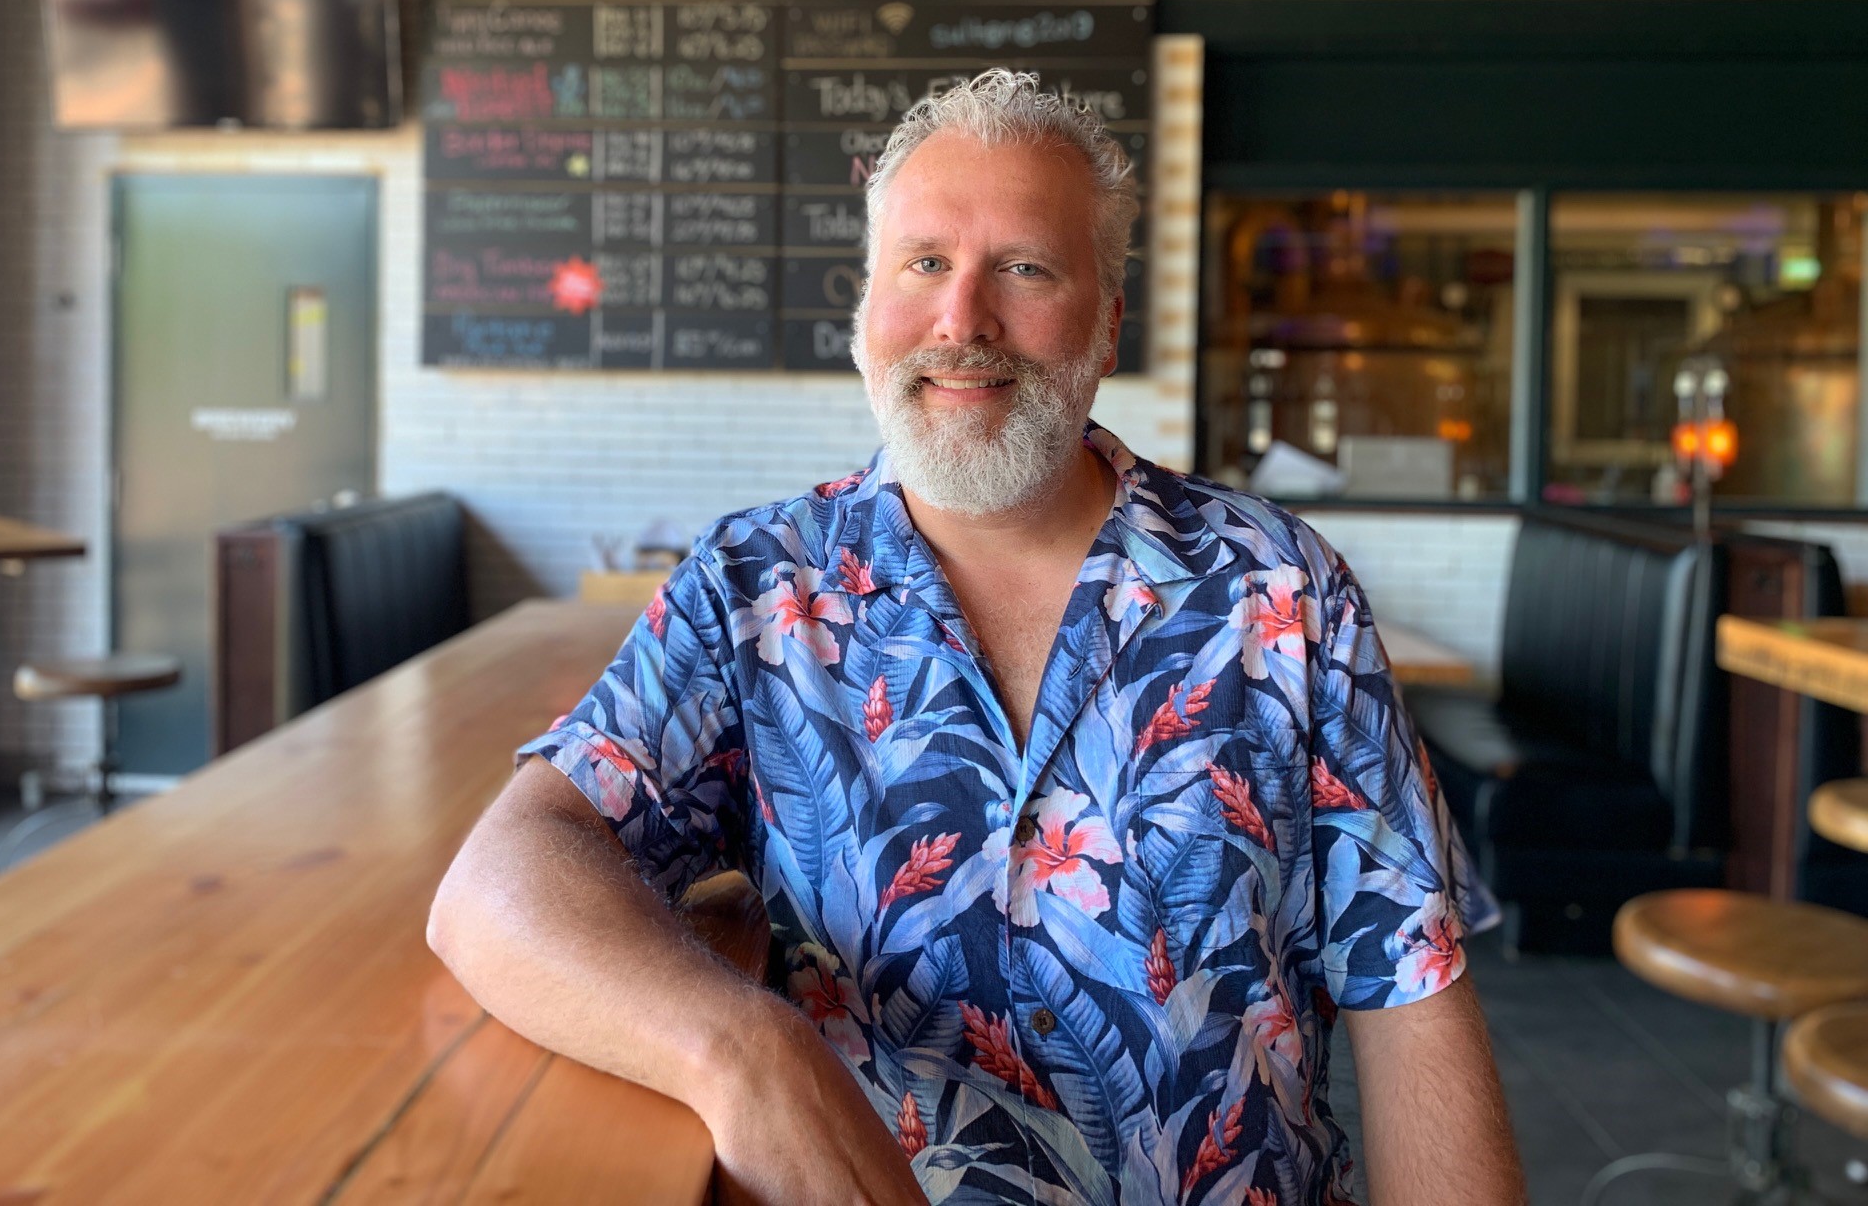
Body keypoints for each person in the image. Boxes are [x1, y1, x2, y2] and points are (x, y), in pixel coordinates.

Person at [427, 69, 1528, 1205]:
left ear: (1105, 323)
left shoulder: (1282, 592)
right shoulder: (758, 589)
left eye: (1024, 268)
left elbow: (1414, 998)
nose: (962, 321)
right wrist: (746, 1053)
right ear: (866, 312)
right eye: (925, 264)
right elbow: (500, 880)